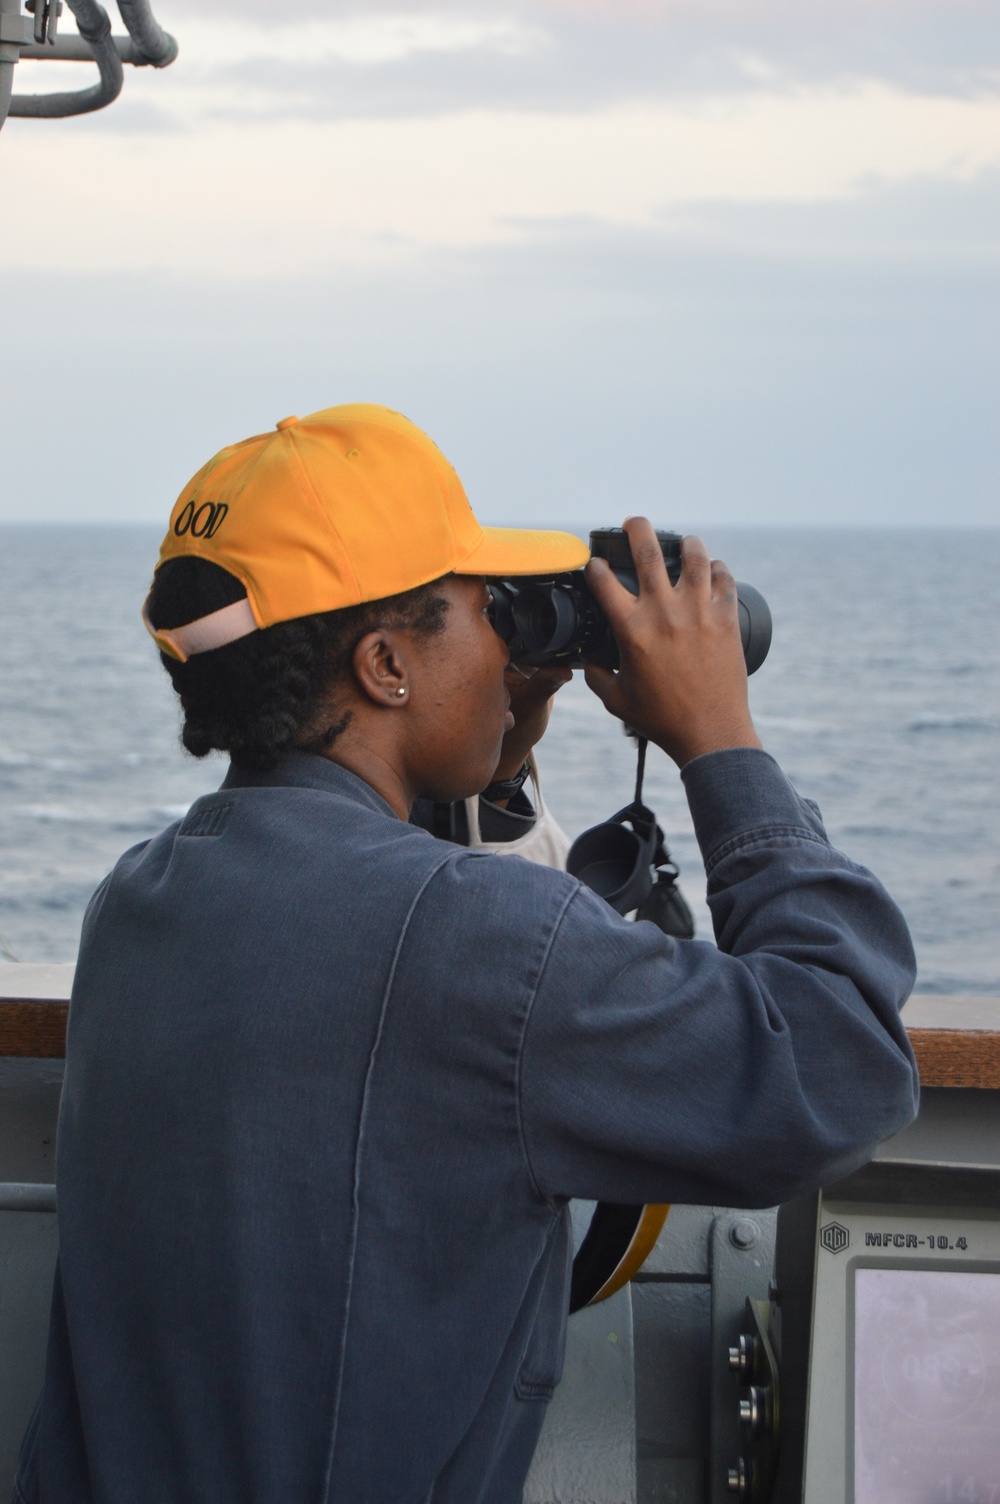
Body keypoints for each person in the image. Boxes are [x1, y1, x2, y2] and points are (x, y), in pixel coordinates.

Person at [15, 403, 919, 1504]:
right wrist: (720, 742)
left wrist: (488, 738)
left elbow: (368, 930)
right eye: (480, 608)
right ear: (387, 661)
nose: (507, 639)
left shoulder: (141, 900)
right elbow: (839, 1066)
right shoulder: (478, 946)